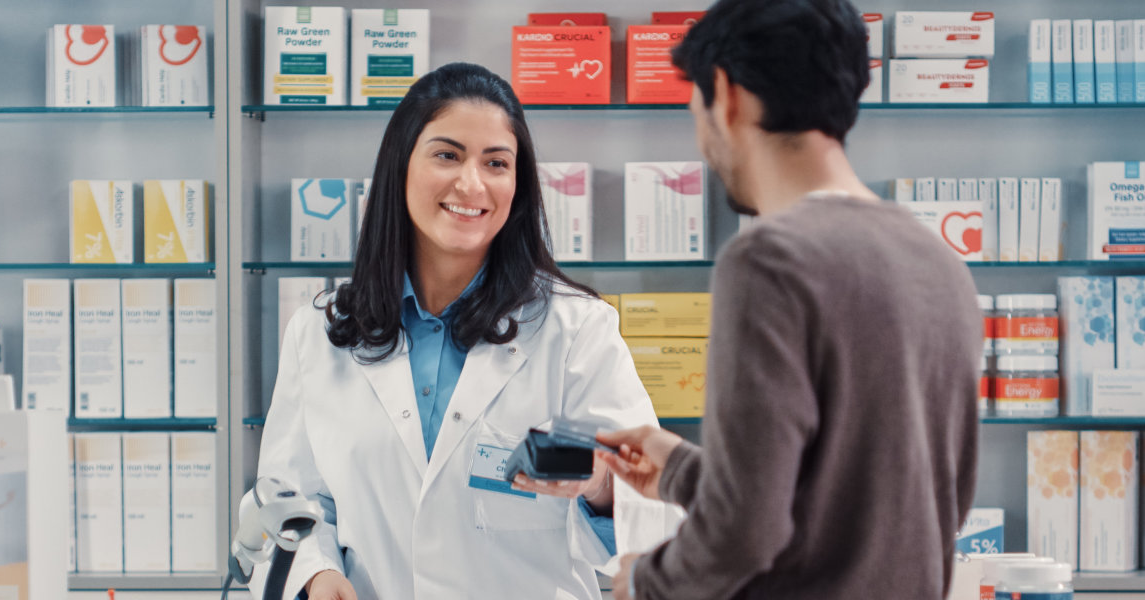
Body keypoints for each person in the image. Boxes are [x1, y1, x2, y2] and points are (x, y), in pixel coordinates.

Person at [597, 0, 983, 598]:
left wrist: (647, 582)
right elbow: (884, 503)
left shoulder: (769, 260)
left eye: (694, 106)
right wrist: (677, 468)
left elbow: (745, 532)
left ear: (725, 94)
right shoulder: (938, 261)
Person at [249, 62, 662, 600]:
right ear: (401, 166)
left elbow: (651, 503)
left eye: (496, 162)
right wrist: (314, 572)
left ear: (518, 183)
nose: (472, 183)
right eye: (447, 155)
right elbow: (287, 495)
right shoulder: (322, 331)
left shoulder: (576, 328)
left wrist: (599, 485)